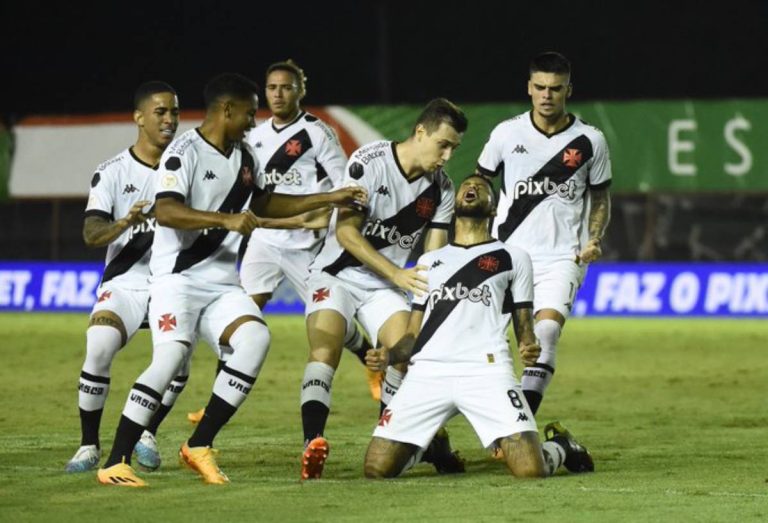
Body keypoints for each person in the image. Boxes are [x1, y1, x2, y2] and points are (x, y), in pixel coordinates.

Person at [96, 73, 366, 487]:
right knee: (168, 361)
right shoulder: (183, 152)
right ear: (226, 110)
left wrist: (328, 197)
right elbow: (166, 211)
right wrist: (225, 219)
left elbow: (263, 202)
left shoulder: (245, 156)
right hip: (178, 281)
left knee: (255, 339)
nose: (254, 121)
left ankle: (199, 444)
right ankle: (115, 460)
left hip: (222, 283)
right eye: (248, 112)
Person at [185, 61, 379, 427]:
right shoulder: (253, 136)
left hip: (307, 244)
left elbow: (343, 187)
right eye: (272, 87)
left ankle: (370, 360)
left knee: (331, 320)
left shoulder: (318, 133)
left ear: (299, 91)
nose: (277, 94)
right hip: (264, 241)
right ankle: (214, 403)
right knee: (240, 317)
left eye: (286, 87)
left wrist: (322, 218)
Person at [363, 175, 594, 478]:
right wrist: (390, 356)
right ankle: (432, 450)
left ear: (494, 209)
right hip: (428, 373)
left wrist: (528, 345)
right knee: (376, 469)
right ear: (456, 204)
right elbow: (412, 336)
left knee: (530, 470)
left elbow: (524, 324)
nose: (471, 188)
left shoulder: (513, 258)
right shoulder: (430, 261)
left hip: (486, 371)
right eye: (465, 185)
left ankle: (562, 446)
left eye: (481, 187)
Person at [299, 98, 467, 480]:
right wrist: (396, 273)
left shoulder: (441, 188)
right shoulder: (370, 162)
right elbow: (345, 232)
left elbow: (433, 255)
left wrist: (434, 293)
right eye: (443, 144)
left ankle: (386, 437)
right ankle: (313, 443)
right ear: (420, 132)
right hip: (335, 275)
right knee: (325, 347)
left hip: (382, 287)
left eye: (454, 148)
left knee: (404, 354)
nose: (447, 155)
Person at [476, 52, 611, 415]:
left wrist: (594, 238)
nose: (547, 95)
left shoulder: (590, 141)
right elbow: (478, 183)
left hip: (562, 256)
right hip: (507, 254)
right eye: (540, 87)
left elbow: (600, 197)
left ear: (569, 89)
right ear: (529, 88)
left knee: (547, 333)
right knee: (488, 342)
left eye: (555, 88)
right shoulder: (506, 133)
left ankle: (520, 421)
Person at [65, 81, 180, 473]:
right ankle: (88, 446)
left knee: (177, 361)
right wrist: (125, 222)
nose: (169, 120)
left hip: (171, 285)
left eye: (174, 112)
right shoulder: (112, 172)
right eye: (161, 112)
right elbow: (91, 235)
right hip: (125, 284)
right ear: (139, 118)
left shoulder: (189, 166)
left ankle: (146, 432)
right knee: (98, 344)